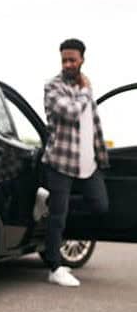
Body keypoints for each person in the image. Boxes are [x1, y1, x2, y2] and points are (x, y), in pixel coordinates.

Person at [41, 38, 109, 287]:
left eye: (72, 59)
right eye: (64, 60)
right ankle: (54, 266)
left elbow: (94, 124)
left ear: (82, 59)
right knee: (58, 216)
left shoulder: (84, 88)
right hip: (60, 160)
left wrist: (102, 157)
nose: (68, 64)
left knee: (100, 206)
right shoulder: (53, 87)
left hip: (88, 164)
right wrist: (85, 92)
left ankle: (50, 208)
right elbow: (69, 113)